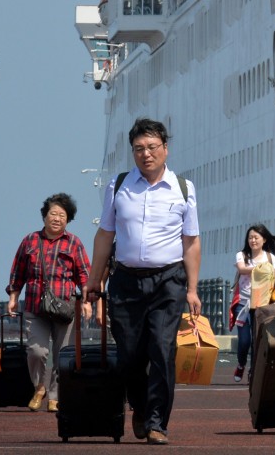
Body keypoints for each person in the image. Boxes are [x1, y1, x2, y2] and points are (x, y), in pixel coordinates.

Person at [84, 118, 201, 446]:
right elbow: (106, 233)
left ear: (165, 148)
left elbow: (191, 242)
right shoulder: (118, 185)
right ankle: (139, 404)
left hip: (168, 281)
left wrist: (192, 289)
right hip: (125, 281)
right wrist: (95, 280)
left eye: (152, 148)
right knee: (129, 355)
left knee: (162, 350)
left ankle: (156, 423)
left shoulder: (183, 189)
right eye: (139, 149)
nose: (146, 154)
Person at [6, 193, 92, 413]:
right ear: (44, 216)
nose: (57, 218)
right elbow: (18, 271)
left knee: (62, 354)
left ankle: (55, 395)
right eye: (53, 213)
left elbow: (84, 274)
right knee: (36, 350)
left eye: (62, 215)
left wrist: (87, 301)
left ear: (68, 219)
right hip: (36, 306)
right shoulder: (30, 241)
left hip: (64, 308)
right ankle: (39, 388)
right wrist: (14, 297)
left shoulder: (74, 243)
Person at [232, 224, 275, 383]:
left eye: (256, 237)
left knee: (257, 341)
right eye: (250, 237)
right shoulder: (242, 255)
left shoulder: (270, 258)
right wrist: (261, 269)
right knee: (244, 341)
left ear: (264, 240)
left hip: (262, 306)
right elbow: (241, 269)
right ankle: (241, 364)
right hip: (243, 305)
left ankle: (254, 373)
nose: (253, 240)